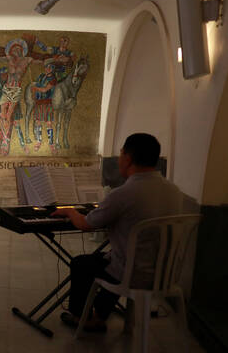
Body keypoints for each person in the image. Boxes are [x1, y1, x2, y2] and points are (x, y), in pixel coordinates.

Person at [52, 133, 182, 332]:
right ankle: (100, 315)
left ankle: (82, 318)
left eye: (121, 154)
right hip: (164, 273)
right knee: (111, 258)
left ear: (128, 158)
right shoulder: (173, 191)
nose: (119, 158)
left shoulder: (123, 194)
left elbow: (87, 224)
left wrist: (70, 211)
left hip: (132, 273)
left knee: (83, 263)